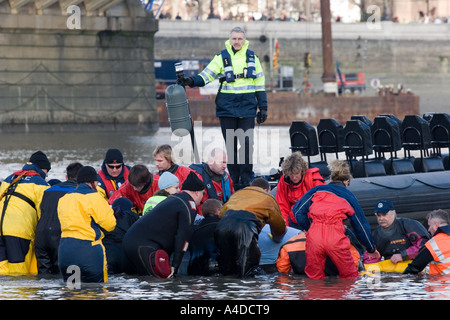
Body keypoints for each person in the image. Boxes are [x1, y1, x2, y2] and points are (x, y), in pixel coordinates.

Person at [179, 26, 268, 189]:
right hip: (227, 107)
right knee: (231, 145)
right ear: (229, 40)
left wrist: (263, 108)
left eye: (240, 39)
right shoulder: (221, 58)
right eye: (234, 38)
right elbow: (206, 76)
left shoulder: (253, 58)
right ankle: (234, 179)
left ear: (244, 40)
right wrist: (190, 81)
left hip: (247, 107)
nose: (237, 42)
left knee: (247, 144)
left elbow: (260, 85)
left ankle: (246, 179)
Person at [293, 160, 380, 280]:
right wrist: (371, 248)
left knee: (314, 278)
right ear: (346, 181)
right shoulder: (348, 196)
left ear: (331, 179)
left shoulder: (316, 190)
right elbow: (360, 226)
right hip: (335, 237)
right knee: (350, 277)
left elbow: (297, 212)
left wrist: (310, 228)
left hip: (314, 237)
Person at [122, 171, 205, 278]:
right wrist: (174, 267)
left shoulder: (174, 199)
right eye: (203, 193)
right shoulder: (189, 205)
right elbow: (183, 238)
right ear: (197, 192)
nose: (203, 197)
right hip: (143, 246)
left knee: (146, 282)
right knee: (157, 281)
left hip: (132, 242)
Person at [214, 178, 287, 277]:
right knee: (248, 273)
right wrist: (277, 238)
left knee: (226, 271)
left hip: (222, 227)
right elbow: (279, 227)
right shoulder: (267, 198)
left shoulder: (237, 195)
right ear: (267, 190)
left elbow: (221, 214)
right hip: (245, 228)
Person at [58, 166, 116, 283]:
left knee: (72, 291)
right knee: (96, 291)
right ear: (93, 182)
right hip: (88, 252)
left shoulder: (64, 199)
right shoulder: (95, 197)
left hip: (65, 251)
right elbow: (110, 225)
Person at [0, 151, 51, 275]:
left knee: (3, 272)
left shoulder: (9, 179)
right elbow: (44, 215)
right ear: (42, 168)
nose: (47, 174)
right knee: (19, 274)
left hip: (0, 230)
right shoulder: (41, 184)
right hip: (20, 233)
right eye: (47, 171)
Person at [35, 162, 83, 275]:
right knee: (62, 276)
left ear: (66, 177)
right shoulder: (78, 193)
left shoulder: (47, 191)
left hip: (41, 235)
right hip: (59, 236)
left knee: (44, 275)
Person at [364, 200, 430, 265]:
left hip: (413, 265)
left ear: (393, 213)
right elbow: (371, 257)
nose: (381, 218)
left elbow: (425, 246)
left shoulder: (409, 225)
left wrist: (403, 255)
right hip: (392, 269)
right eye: (379, 216)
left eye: (384, 215)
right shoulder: (376, 234)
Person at [275, 151, 325, 227]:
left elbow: (321, 205)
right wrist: (284, 227)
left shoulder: (314, 179)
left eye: (296, 173)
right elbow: (281, 205)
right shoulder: (284, 181)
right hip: (293, 219)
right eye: (291, 174)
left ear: (302, 171)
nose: (294, 177)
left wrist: (311, 227)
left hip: (311, 219)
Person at [403, 209, 450, 275]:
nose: (428, 230)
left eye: (429, 225)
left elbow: (413, 268)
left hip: (443, 283)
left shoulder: (433, 245)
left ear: (436, 225)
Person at [189, 148, 235, 212]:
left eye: (225, 162)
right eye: (221, 163)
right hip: (205, 216)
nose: (225, 166)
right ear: (211, 162)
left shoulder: (226, 177)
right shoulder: (197, 178)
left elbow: (233, 198)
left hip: (224, 212)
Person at [103, 198, 139, 275]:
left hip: (109, 255)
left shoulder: (106, 217)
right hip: (128, 256)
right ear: (130, 208)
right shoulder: (133, 216)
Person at [187, 199, 222, 276]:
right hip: (217, 269)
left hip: (194, 269)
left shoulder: (194, 229)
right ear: (217, 211)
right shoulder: (223, 226)